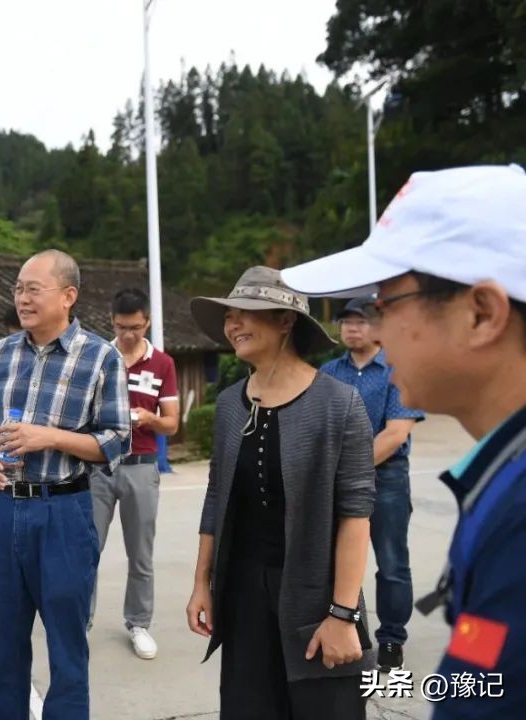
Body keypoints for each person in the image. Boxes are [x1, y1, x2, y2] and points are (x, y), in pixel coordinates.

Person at [281, 164, 526, 719]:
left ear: (481, 314)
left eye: (386, 306)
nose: (375, 329)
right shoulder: (500, 479)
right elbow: (488, 678)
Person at [185, 266, 376, 720]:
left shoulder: (339, 403)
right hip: (244, 595)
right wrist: (202, 584)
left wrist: (342, 614)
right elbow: (217, 498)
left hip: (316, 594)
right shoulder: (231, 404)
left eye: (245, 313)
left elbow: (356, 514)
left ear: (285, 321)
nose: (233, 325)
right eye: (229, 315)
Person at [0, 250, 130, 720]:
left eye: (33, 288)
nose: (22, 297)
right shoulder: (2, 352)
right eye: (18, 288)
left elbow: (117, 441)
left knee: (66, 646)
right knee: (5, 644)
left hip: (63, 511)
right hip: (2, 510)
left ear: (68, 296)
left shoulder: (101, 357)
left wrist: (48, 438)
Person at [320, 295, 425, 673]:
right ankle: (340, 627)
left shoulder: (399, 370)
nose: (351, 328)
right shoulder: (329, 371)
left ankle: (392, 640)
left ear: (379, 327)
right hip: (334, 478)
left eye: (360, 321)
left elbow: (395, 434)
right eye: (346, 322)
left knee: (392, 563)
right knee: (333, 560)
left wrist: (349, 468)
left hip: (388, 478)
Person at [88, 287, 179, 658]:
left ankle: (139, 623)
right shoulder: (99, 358)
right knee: (87, 550)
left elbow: (172, 424)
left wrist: (149, 419)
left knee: (140, 554)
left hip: (142, 466)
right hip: (99, 467)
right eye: (122, 327)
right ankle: (80, 622)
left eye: (137, 327)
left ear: (148, 322)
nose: (129, 335)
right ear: (112, 322)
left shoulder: (163, 364)